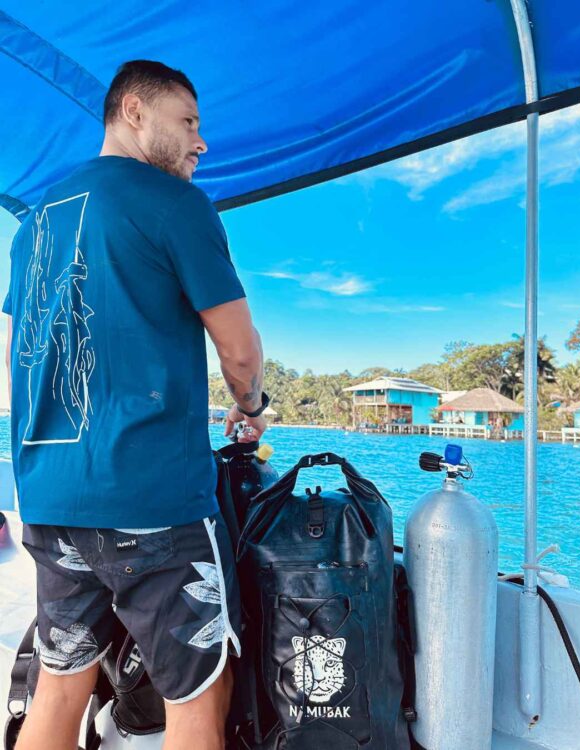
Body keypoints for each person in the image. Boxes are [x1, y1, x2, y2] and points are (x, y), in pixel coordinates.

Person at [3, 60, 268, 750]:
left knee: (60, 687)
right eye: (189, 122)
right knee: (200, 696)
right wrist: (252, 403)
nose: (201, 142)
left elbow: (29, 344)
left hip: (50, 502)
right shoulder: (176, 203)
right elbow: (238, 350)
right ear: (134, 112)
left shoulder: (31, 226)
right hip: (154, 503)